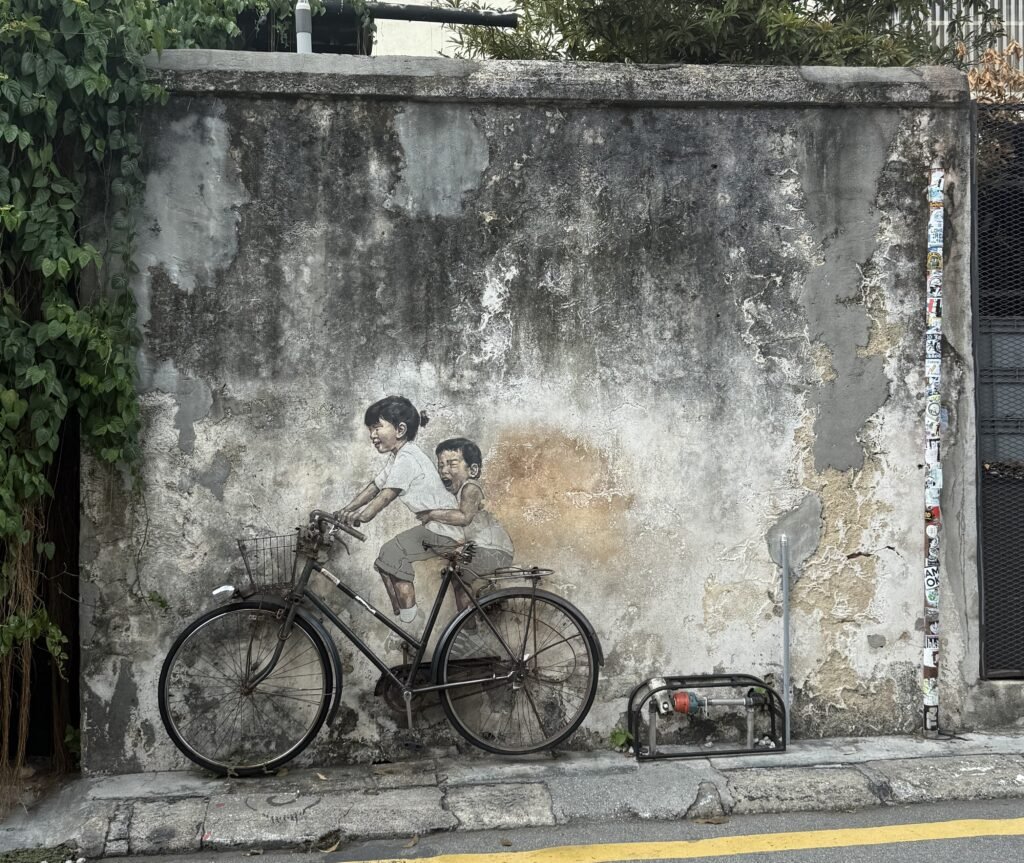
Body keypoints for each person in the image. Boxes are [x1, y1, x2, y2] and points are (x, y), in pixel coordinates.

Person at [337, 396, 462, 627]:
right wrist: (345, 510)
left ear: (400, 430)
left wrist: (362, 516)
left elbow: (386, 495)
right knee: (385, 559)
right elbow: (374, 487)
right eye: (370, 429)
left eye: (377, 427)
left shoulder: (408, 458)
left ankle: (409, 618)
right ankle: (401, 613)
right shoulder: (399, 456)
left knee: (392, 553)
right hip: (436, 528)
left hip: (444, 530)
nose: (372, 435)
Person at [416, 437, 514, 612]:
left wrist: (431, 514)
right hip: (482, 547)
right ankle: (474, 613)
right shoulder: (457, 493)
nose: (444, 470)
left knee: (459, 575)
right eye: (440, 465)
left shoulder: (471, 488)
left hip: (493, 548)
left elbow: (464, 517)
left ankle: (481, 608)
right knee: (458, 579)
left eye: (452, 464)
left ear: (473, 470)